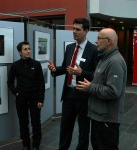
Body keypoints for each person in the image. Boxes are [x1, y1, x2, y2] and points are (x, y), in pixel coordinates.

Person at [48, 18, 98, 150]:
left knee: (83, 130)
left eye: (78, 29)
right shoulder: (70, 47)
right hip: (69, 94)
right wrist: (55, 70)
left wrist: (82, 73)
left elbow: (97, 75)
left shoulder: (94, 50)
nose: (74, 31)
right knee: (65, 128)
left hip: (84, 95)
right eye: (73, 28)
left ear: (86, 31)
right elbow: (66, 67)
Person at [76, 28, 127, 150]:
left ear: (108, 41)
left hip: (107, 120)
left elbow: (113, 91)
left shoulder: (115, 62)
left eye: (99, 38)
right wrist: (91, 84)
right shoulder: (104, 58)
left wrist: (90, 87)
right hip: (98, 118)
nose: (96, 41)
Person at [7, 41, 45, 150]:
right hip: (21, 98)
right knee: (23, 123)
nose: (28, 51)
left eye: (29, 49)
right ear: (20, 52)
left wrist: (41, 99)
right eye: (25, 49)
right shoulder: (15, 65)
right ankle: (26, 145)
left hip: (35, 98)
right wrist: (16, 93)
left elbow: (41, 83)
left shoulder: (36, 64)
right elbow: (9, 82)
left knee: (35, 122)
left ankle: (36, 145)